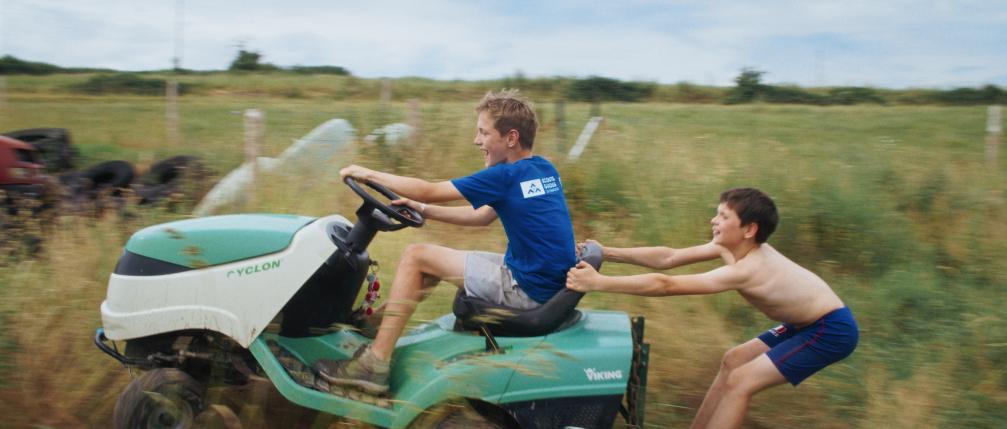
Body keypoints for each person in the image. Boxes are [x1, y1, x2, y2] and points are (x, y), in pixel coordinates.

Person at [315, 90, 576, 395]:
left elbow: (429, 189)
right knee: (428, 264)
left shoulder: (506, 175)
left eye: (483, 132)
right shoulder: (543, 169)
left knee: (416, 256)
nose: (477, 141)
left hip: (526, 290)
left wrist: (365, 172)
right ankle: (372, 326)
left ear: (511, 138)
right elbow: (482, 217)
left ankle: (373, 364)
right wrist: (423, 211)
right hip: (541, 281)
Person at [565, 188, 858, 429]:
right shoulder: (729, 248)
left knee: (742, 381)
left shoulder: (750, 268)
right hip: (803, 324)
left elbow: (666, 285)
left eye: (723, 216)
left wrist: (599, 282)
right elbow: (668, 258)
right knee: (733, 361)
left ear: (749, 229)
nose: (713, 220)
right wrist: (608, 252)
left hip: (829, 329)